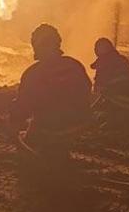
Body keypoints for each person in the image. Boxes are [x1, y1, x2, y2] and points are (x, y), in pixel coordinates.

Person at [11, 23, 92, 158]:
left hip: (50, 127)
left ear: (37, 46)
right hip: (79, 122)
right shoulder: (74, 65)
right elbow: (87, 89)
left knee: (26, 146)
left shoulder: (33, 73)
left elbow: (23, 107)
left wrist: (14, 121)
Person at [90, 38, 129, 126]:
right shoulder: (122, 59)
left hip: (120, 103)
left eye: (96, 48)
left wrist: (90, 109)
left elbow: (98, 91)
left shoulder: (103, 63)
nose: (94, 50)